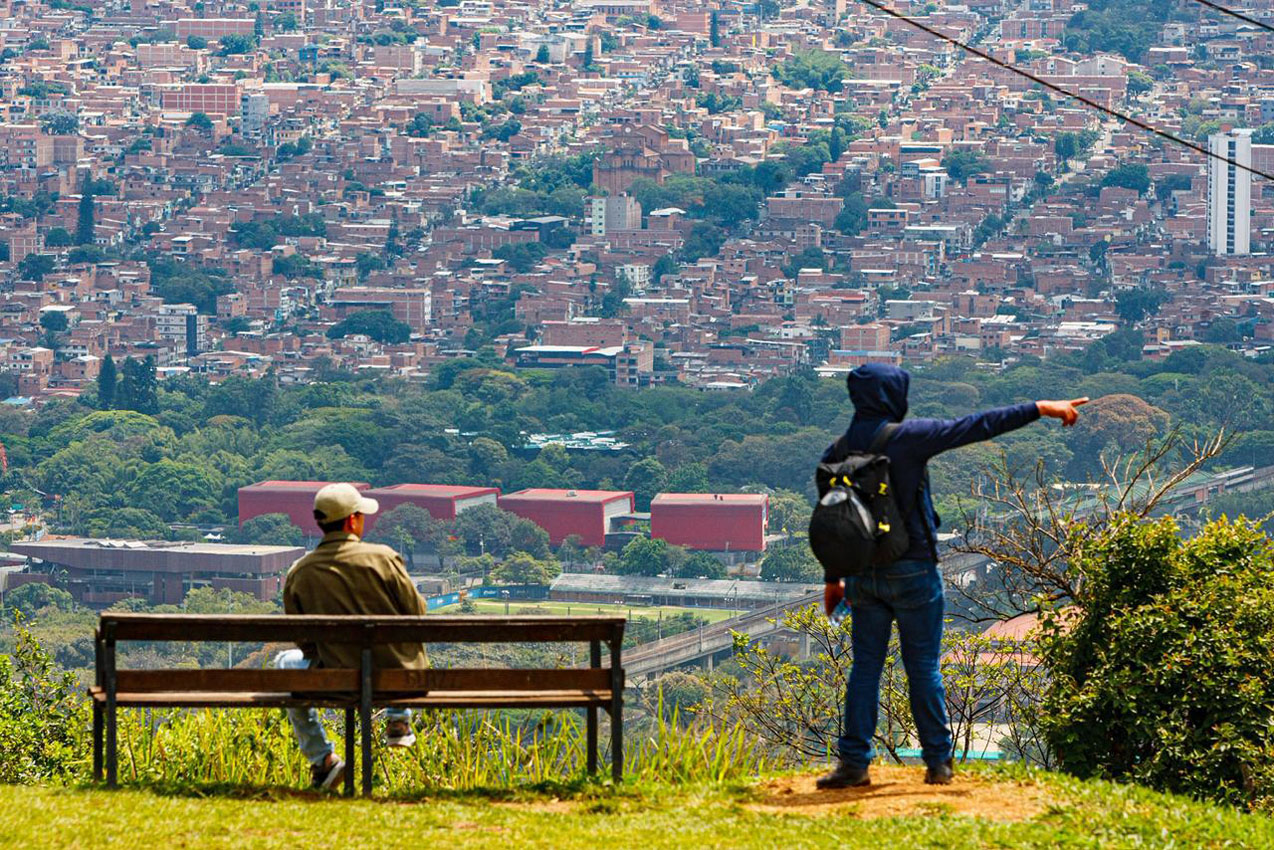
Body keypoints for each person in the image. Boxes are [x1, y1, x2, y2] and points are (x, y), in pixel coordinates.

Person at [816, 363, 1086, 789]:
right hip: (915, 570)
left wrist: (835, 580)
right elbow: (975, 426)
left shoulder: (836, 450)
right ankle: (938, 763)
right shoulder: (907, 439)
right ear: (894, 397)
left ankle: (853, 764)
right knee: (922, 667)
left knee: (865, 669)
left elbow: (837, 523)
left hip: (864, 576)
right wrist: (1040, 408)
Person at [276, 482, 428, 790]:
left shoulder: (300, 571)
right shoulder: (384, 558)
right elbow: (417, 614)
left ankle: (322, 760)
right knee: (399, 650)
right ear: (351, 520)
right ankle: (398, 720)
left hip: (335, 680)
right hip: (395, 679)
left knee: (284, 663)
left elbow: (302, 640)